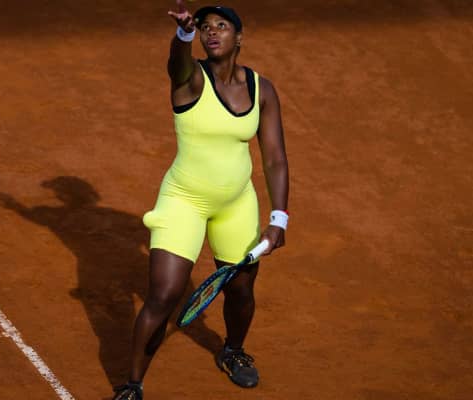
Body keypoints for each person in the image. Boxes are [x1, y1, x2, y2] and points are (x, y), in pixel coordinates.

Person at [111, 2, 289, 399]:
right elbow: (176, 62)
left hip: (237, 203)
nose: (212, 32)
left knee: (241, 290)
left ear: (239, 38)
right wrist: (183, 34)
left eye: (221, 26)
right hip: (184, 201)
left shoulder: (262, 89)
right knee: (164, 295)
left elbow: (274, 158)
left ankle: (233, 351)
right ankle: (132, 385)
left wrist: (279, 218)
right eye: (205, 26)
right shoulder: (189, 79)